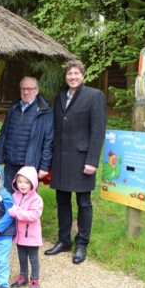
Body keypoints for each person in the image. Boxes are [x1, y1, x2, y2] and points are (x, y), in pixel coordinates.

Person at [46, 60, 106, 265]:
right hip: (61, 158)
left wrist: (92, 161)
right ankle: (64, 241)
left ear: (83, 75)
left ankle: (81, 244)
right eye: (69, 73)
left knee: (83, 202)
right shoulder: (61, 96)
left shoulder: (94, 96)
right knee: (62, 201)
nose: (72, 77)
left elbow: (98, 131)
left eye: (76, 73)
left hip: (82, 160)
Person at [0, 77, 54, 193]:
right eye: (23, 89)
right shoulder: (13, 108)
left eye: (29, 89)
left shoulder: (44, 112)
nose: (26, 92)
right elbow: (3, 135)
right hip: (10, 164)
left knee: (26, 202)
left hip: (29, 165)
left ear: (37, 90)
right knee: (8, 198)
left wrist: (44, 166)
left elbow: (48, 141)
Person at [8, 166, 43, 288]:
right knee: (22, 257)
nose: (22, 185)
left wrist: (16, 212)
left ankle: (34, 280)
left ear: (33, 183)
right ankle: (23, 277)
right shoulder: (14, 196)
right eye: (20, 181)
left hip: (32, 236)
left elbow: (33, 216)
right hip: (19, 235)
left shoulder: (36, 199)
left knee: (33, 259)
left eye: (26, 182)